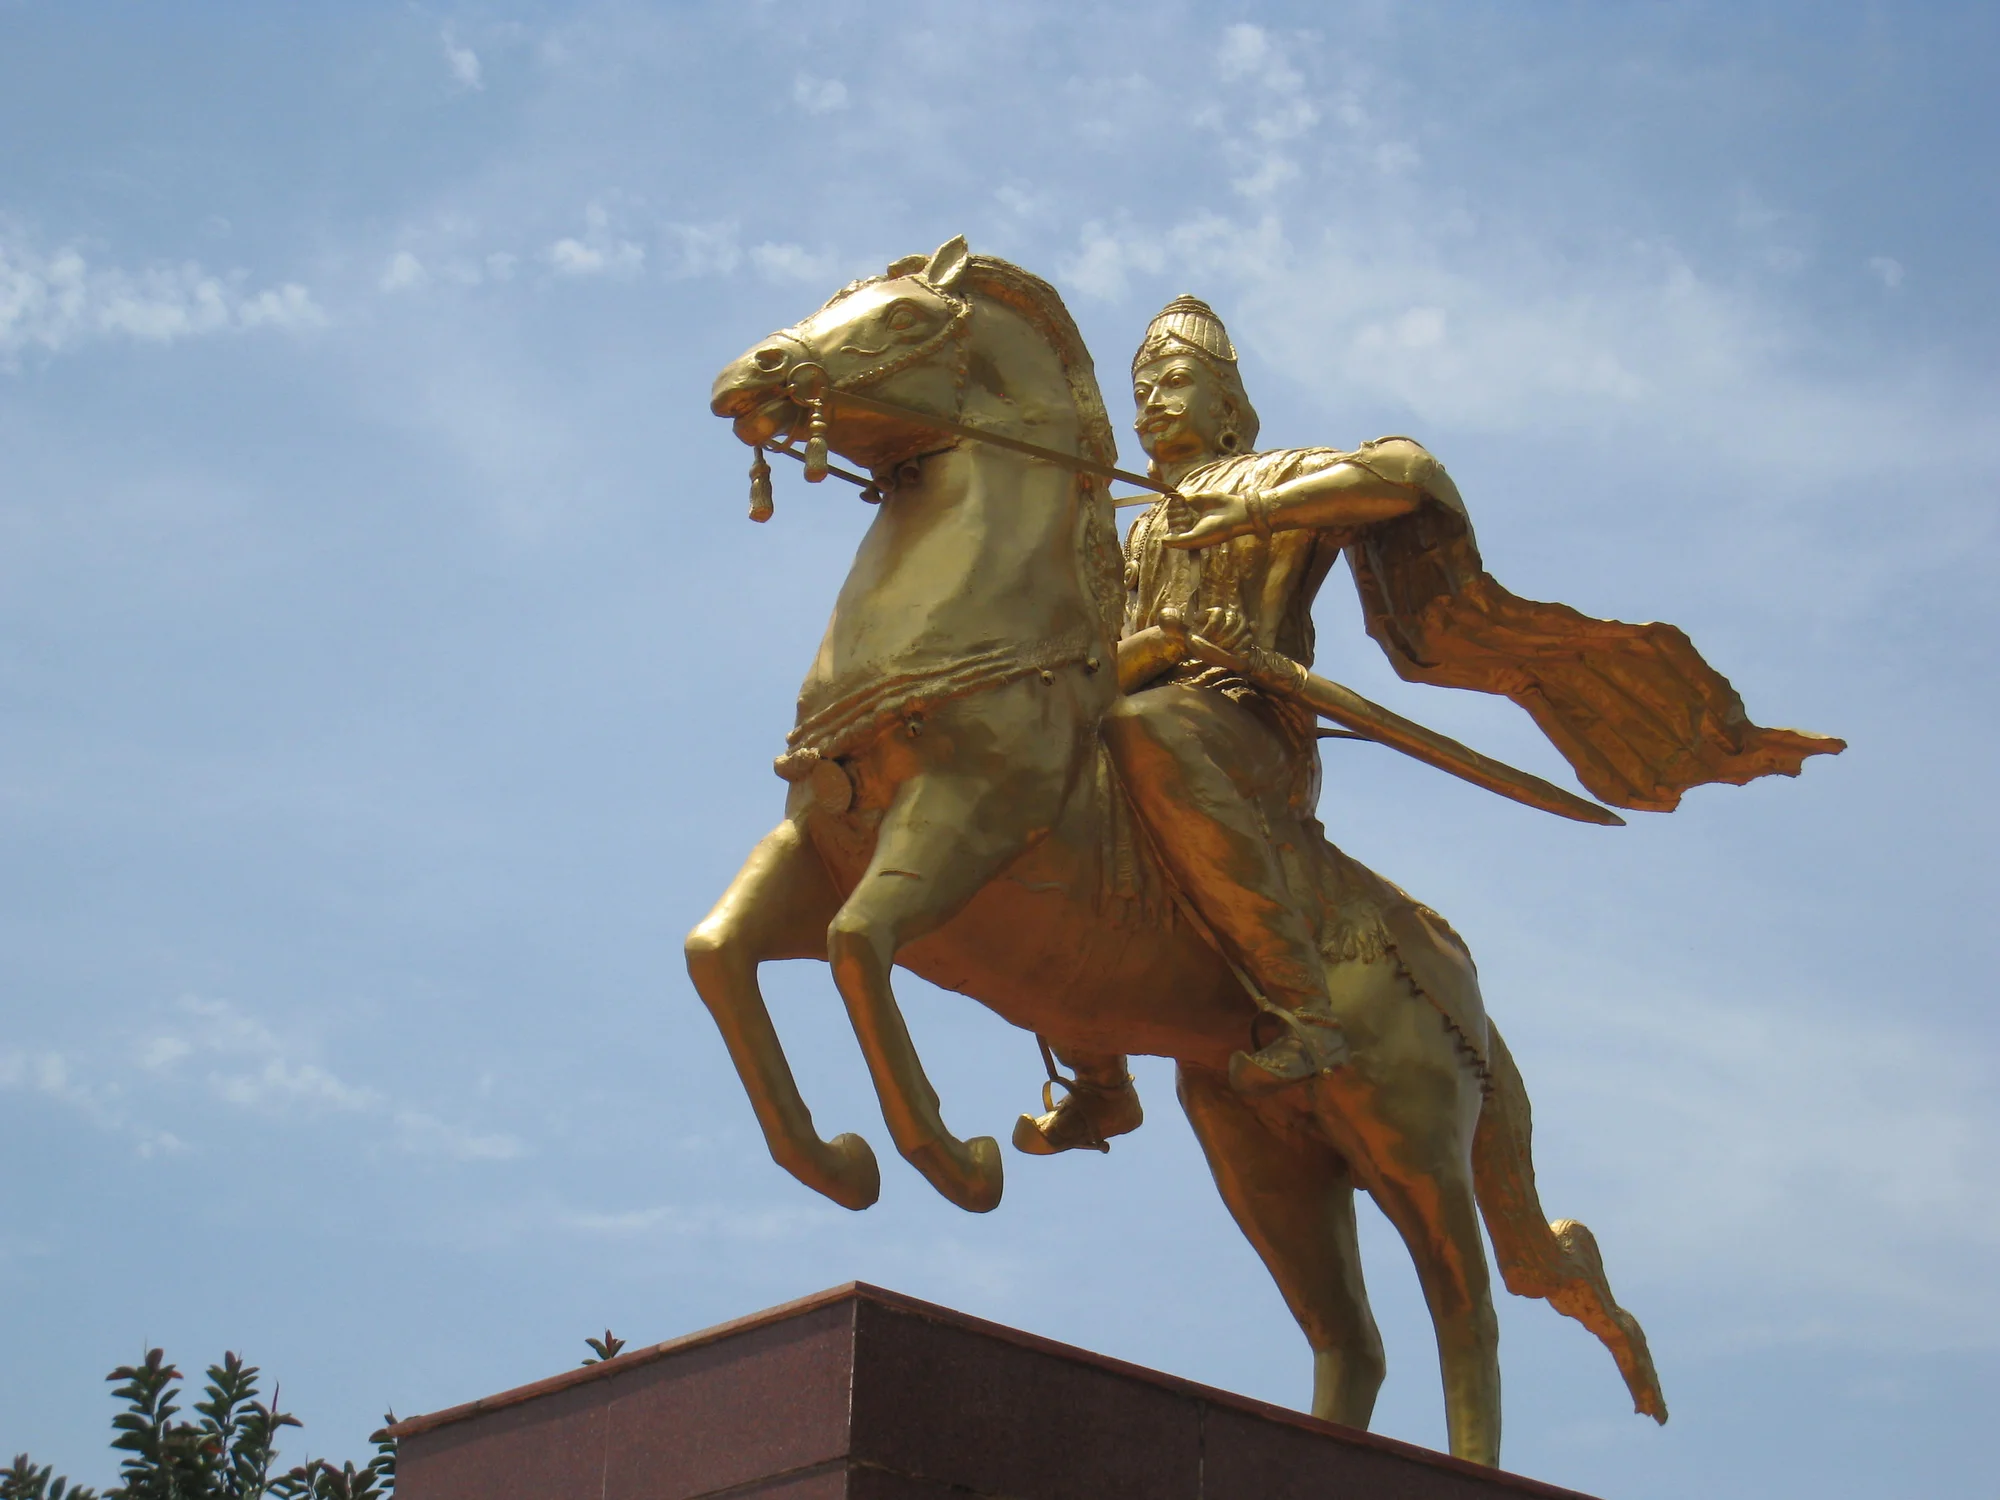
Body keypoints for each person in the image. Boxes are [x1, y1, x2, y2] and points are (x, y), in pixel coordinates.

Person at [1017, 294, 1458, 1150]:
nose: (1152, 400)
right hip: (1140, 709)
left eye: (1176, 380)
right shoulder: (1124, 527)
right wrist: (1143, 651)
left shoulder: (1267, 475)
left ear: (1229, 408)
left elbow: (1412, 473)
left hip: (1246, 729)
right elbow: (1098, 662)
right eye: (1141, 388)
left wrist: (1257, 514)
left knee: (1147, 733)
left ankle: (1306, 1008)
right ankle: (1099, 1078)